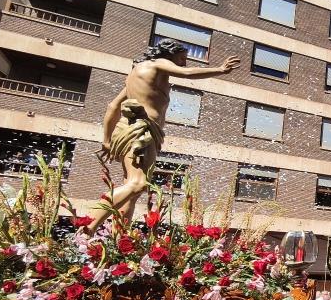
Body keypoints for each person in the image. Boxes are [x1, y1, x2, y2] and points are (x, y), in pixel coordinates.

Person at [85, 40, 240, 233]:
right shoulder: (158, 63)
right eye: (181, 58)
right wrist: (221, 70)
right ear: (169, 54)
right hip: (142, 131)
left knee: (131, 191)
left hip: (128, 129)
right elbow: (187, 73)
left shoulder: (135, 75)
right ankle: (87, 225)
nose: (183, 63)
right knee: (137, 184)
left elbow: (113, 106)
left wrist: (107, 140)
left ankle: (119, 237)